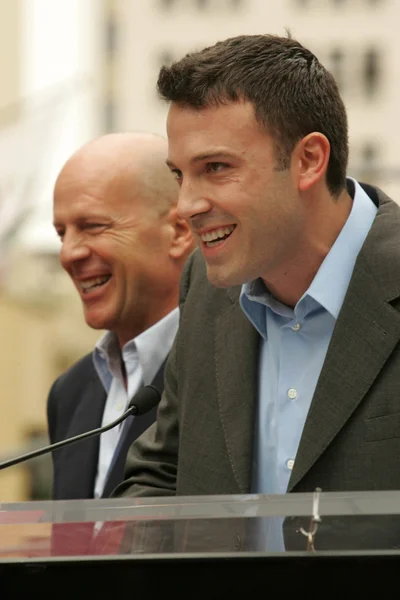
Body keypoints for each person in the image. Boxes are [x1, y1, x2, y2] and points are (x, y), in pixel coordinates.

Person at [113, 33, 400, 503]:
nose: (186, 204)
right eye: (179, 175)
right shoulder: (204, 289)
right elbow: (163, 474)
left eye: (216, 167)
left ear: (308, 160)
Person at [47, 132, 194, 499]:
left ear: (178, 231)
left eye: (92, 226)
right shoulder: (71, 392)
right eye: (61, 233)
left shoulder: (231, 371)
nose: (68, 254)